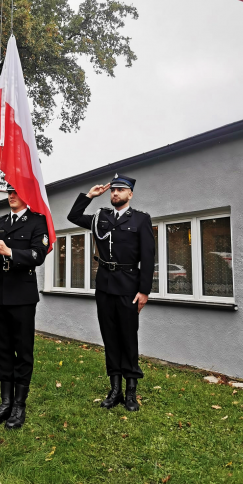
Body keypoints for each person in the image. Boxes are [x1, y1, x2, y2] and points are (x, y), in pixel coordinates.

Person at [67, 174, 155, 412]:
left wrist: (144, 291)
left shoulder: (140, 219)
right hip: (105, 284)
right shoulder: (100, 217)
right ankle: (114, 388)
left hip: (128, 285)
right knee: (110, 337)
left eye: (120, 190)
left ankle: (131, 392)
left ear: (130, 194)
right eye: (112, 190)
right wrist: (89, 196)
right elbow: (73, 216)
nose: (115, 193)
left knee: (128, 337)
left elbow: (148, 258)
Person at [0, 185, 49, 430]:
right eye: (9, 192)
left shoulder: (37, 222)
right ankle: (5, 402)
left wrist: (10, 251)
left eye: (17, 192)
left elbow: (39, 253)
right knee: (2, 350)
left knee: (22, 351)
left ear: (26, 196)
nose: (11, 196)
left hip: (21, 295)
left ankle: (19, 405)